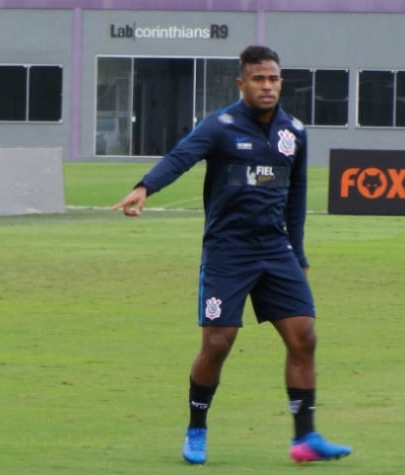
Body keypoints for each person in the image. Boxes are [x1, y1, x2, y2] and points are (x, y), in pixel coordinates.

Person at [112, 45, 351, 464]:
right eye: (258, 79)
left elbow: (295, 197)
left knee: (304, 337)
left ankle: (305, 438)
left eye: (274, 78)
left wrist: (299, 253)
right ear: (241, 83)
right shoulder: (220, 126)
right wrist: (144, 186)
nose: (267, 86)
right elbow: (180, 157)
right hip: (228, 252)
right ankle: (196, 428)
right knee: (219, 342)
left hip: (276, 251)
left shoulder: (293, 131)